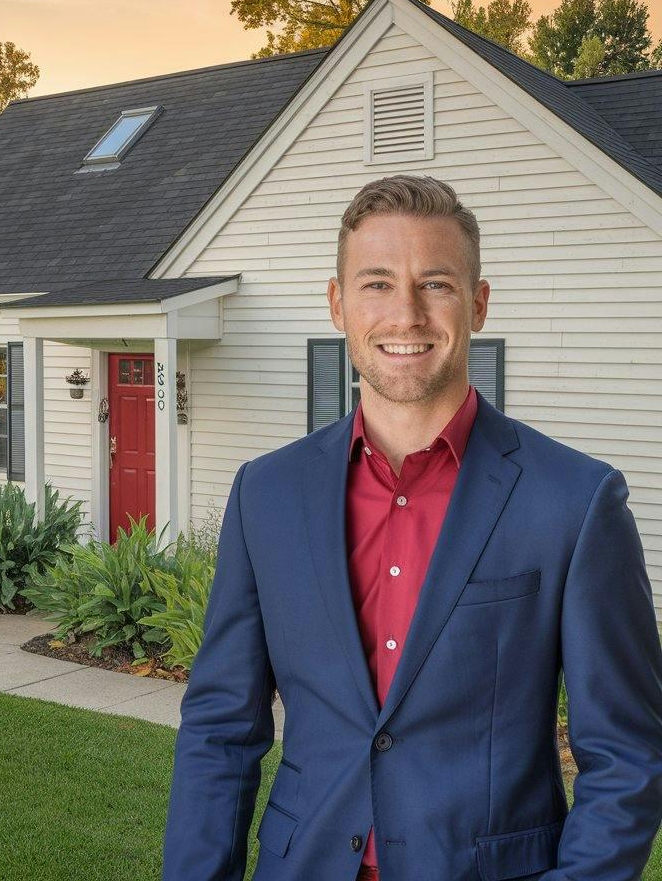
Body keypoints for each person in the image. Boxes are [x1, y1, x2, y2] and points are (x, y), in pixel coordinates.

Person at [161, 174, 662, 880]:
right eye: (375, 284)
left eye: (436, 284)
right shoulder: (266, 494)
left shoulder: (576, 503)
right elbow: (219, 729)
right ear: (337, 304)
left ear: (478, 304)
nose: (406, 314)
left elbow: (628, 757)